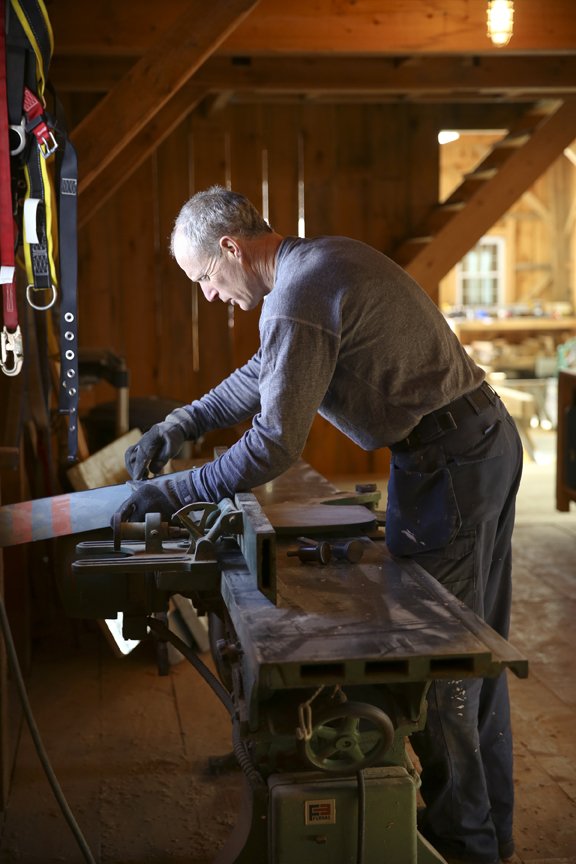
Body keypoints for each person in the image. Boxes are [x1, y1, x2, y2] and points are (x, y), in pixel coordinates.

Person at [119, 185, 523, 864]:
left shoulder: (302, 294)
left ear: (231, 248)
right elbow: (262, 373)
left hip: (451, 461)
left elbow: (274, 445)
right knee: (472, 640)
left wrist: (171, 492)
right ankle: (490, 833)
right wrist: (180, 422)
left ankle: (467, 846)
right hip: (468, 446)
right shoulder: (313, 267)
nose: (211, 295)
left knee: (443, 658)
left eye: (206, 280)